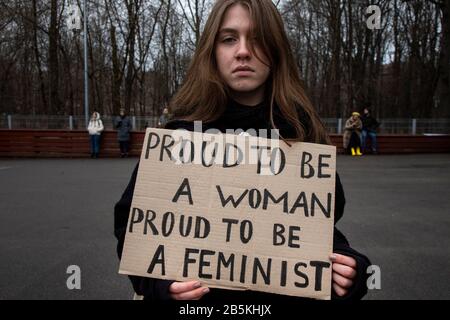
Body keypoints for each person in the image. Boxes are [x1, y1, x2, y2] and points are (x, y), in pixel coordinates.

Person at [114, 0, 371, 302]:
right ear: (212, 51)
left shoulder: (301, 135)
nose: (244, 51)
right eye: (229, 38)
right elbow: (134, 227)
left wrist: (349, 268)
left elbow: (316, 229)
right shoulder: (179, 135)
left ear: (275, 51)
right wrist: (159, 285)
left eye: (258, 39)